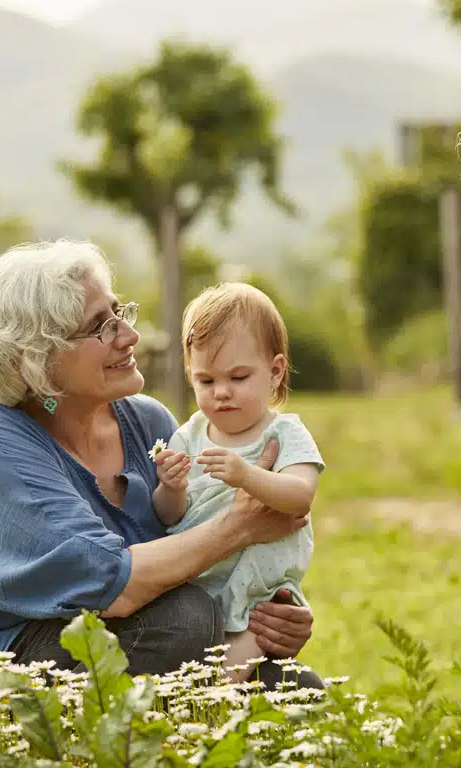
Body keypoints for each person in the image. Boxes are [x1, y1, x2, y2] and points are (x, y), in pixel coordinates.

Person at [0, 241, 319, 692]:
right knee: (185, 620)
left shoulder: (147, 422)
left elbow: (190, 549)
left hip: (116, 641)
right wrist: (242, 526)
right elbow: (115, 587)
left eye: (120, 314)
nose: (129, 336)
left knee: (299, 689)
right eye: (100, 327)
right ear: (38, 358)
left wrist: (270, 611)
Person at [153, 282, 324, 683]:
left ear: (275, 371)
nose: (222, 393)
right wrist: (172, 488)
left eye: (239, 376)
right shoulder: (188, 435)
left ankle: (208, 718)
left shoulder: (284, 434)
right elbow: (167, 515)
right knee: (189, 667)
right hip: (200, 580)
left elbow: (300, 497)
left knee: (223, 679)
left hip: (259, 593)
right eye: (206, 381)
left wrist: (248, 474)